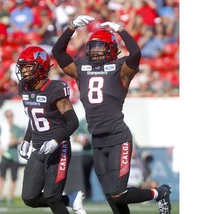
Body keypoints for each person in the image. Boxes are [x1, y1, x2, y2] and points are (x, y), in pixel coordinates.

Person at [52, 15, 171, 214]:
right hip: (97, 139)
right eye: (93, 47)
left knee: (119, 193)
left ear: (112, 50)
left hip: (118, 136)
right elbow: (58, 52)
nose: (96, 51)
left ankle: (159, 193)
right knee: (111, 195)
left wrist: (122, 30)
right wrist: (71, 27)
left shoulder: (120, 69)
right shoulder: (81, 69)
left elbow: (135, 53)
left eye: (101, 47)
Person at [15, 46, 86, 214]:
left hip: (58, 148)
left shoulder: (54, 89)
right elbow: (34, 118)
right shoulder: (24, 87)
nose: (24, 70)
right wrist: (27, 140)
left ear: (40, 67)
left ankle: (67, 200)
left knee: (52, 196)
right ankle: (71, 199)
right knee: (30, 197)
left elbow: (73, 122)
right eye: (22, 66)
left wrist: (55, 141)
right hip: (38, 149)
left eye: (28, 66)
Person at [0, 109, 24, 205]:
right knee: (1, 177)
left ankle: (10, 197)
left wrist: (14, 142)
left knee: (13, 178)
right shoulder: (2, 128)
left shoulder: (17, 129)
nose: (9, 118)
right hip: (4, 156)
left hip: (14, 156)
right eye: (7, 116)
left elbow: (22, 139)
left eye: (11, 116)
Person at [72, 119, 93, 201]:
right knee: (86, 177)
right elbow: (75, 137)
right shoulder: (82, 123)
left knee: (102, 175)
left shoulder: (95, 119)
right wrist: (82, 142)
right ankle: (88, 196)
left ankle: (109, 195)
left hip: (96, 153)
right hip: (86, 154)